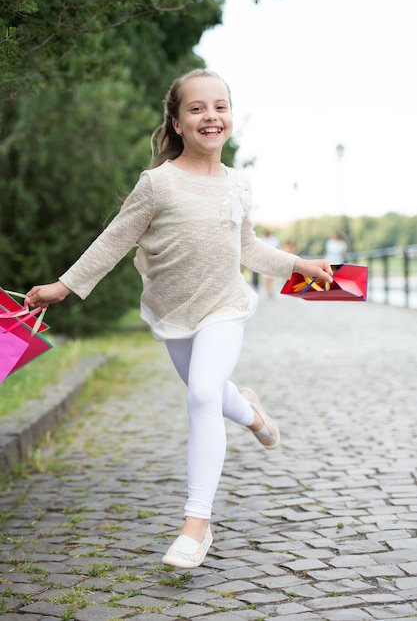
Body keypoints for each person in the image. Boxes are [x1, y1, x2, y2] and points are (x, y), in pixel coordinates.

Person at [26, 69, 333, 570]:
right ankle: (251, 410)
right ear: (176, 121)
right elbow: (113, 240)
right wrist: (65, 285)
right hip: (172, 314)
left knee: (203, 394)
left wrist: (300, 266)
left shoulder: (239, 184)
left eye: (220, 106)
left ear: (230, 117)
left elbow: (248, 248)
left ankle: (196, 524)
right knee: (210, 389)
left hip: (223, 307)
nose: (210, 116)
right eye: (196, 108)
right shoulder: (157, 185)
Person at [261, 230, 280, 298]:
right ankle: (268, 291)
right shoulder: (263, 239)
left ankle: (271, 290)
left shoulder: (274, 240)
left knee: (271, 277)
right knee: (267, 278)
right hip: (265, 261)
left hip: (272, 261)